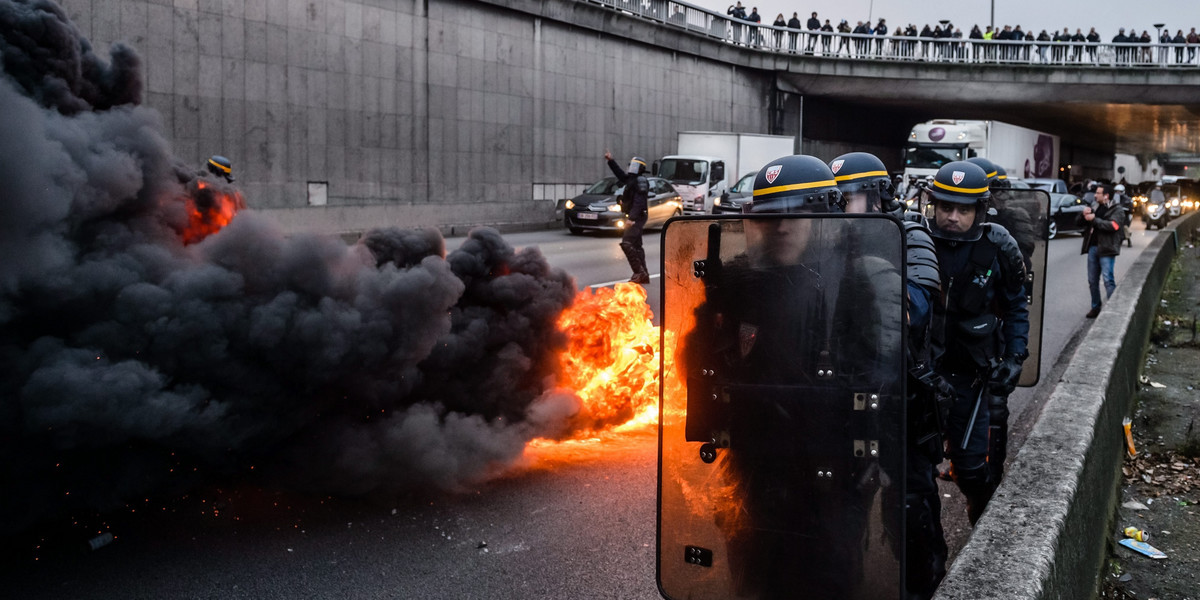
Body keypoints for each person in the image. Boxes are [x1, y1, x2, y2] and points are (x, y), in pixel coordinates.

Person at [681, 155, 903, 597]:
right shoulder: (737, 284)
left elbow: (885, 380)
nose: (780, 228)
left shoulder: (863, 280)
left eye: (795, 216)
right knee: (753, 579)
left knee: (828, 580)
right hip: (755, 467)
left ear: (824, 218)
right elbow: (701, 366)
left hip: (832, 472)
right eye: (768, 218)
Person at [830, 152, 946, 599]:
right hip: (846, 392)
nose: (840, 208)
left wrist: (866, 268)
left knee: (911, 514)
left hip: (902, 397)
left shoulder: (909, 233)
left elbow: (913, 308)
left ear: (877, 197)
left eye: (848, 198)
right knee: (841, 512)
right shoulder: (832, 233)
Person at [921, 161, 1030, 526]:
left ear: (979, 210)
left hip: (971, 376)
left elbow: (1017, 306)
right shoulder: (913, 238)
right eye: (945, 207)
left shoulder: (999, 246)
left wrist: (1015, 357)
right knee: (914, 475)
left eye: (963, 210)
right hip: (921, 374)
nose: (952, 217)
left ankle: (980, 527)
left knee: (971, 471)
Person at [604, 150, 651, 284]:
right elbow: (620, 174)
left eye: (634, 165)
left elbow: (639, 202)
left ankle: (638, 272)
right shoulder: (631, 179)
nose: (631, 167)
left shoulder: (641, 181)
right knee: (637, 246)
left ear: (639, 168)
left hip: (637, 217)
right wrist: (610, 161)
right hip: (634, 216)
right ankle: (644, 274)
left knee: (627, 243)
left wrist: (632, 218)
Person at [1081, 184, 1126, 318]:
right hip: (1093, 247)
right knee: (1092, 280)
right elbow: (1082, 223)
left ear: (1106, 195)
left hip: (1107, 249)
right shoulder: (1095, 207)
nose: (1095, 195)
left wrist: (1094, 219)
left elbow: (1113, 226)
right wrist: (1084, 215)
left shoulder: (1117, 210)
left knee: (1108, 279)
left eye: (1098, 193)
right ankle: (1095, 307)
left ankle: (1113, 310)